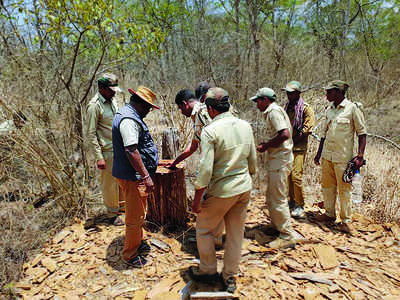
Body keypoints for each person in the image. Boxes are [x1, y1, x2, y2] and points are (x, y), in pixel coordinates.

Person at [189, 87, 256, 293]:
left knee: (204, 229)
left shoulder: (210, 131)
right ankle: (229, 277)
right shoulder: (245, 126)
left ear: (210, 109)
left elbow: (205, 171)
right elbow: (252, 164)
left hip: (221, 190)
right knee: (236, 234)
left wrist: (197, 200)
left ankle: (208, 270)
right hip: (243, 188)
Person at [112, 86, 160, 267]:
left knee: (138, 213)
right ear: (139, 103)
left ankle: (136, 243)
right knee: (134, 217)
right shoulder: (128, 120)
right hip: (133, 177)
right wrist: (146, 176)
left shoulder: (127, 114)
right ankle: (130, 255)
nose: (148, 111)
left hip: (131, 174)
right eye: (148, 107)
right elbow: (131, 150)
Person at [314, 80, 367, 235]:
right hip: (327, 156)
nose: (326, 95)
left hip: (343, 158)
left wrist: (360, 156)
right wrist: (318, 153)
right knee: (328, 186)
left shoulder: (352, 109)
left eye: (329, 92)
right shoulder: (329, 109)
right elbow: (324, 134)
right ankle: (329, 214)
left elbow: (362, 134)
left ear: (338, 92)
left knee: (344, 190)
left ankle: (345, 221)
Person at [250, 87, 298, 248]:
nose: (256, 104)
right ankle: (276, 225)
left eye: (258, 100)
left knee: (278, 198)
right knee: (272, 196)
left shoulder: (273, 112)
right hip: (276, 159)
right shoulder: (272, 112)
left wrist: (266, 146)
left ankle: (287, 235)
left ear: (265, 100)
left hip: (280, 160)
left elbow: (284, 134)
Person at [86, 73, 125, 226]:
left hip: (119, 148)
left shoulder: (113, 101)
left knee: (122, 180)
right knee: (109, 184)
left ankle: (122, 208)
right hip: (107, 150)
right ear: (101, 88)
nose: (114, 92)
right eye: (110, 89)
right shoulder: (94, 106)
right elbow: (90, 133)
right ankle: (112, 214)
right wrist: (98, 157)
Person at [282, 81, 315, 218]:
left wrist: (292, 140)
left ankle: (300, 205)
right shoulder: (287, 107)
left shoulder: (306, 109)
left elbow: (307, 129)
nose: (288, 95)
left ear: (298, 93)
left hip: (299, 147)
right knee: (288, 176)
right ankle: (291, 201)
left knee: (296, 176)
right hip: (287, 146)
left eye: (291, 92)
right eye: (287, 92)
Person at [168, 89, 212, 169]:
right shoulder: (202, 110)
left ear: (185, 104)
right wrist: (175, 162)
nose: (181, 112)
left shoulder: (200, 113)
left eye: (180, 108)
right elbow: (193, 146)